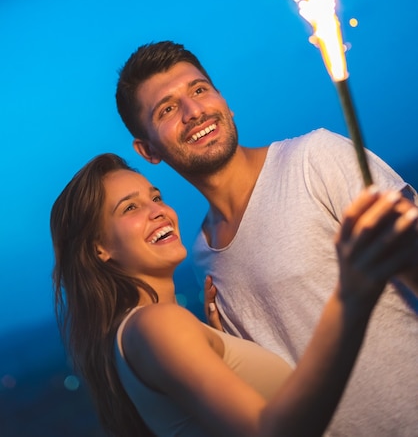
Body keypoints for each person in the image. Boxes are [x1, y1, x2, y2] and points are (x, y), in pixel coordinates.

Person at [115, 40, 418, 436]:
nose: (194, 111)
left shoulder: (315, 158)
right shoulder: (202, 256)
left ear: (224, 100)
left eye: (199, 90)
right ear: (148, 150)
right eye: (168, 109)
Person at [50, 152, 418, 437]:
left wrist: (222, 347)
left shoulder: (145, 331)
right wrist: (350, 298)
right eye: (130, 208)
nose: (158, 212)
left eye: (156, 197)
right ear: (100, 248)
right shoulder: (155, 324)